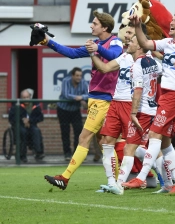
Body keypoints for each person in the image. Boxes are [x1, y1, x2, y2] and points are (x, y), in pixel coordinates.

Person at [122, 12, 175, 194]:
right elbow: (145, 44)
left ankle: (141, 178)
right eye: (172, 19)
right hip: (165, 95)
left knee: (154, 135)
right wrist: (137, 26)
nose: (171, 22)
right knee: (165, 142)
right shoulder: (168, 43)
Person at [43, 10, 123, 190]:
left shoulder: (115, 41)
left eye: (94, 23)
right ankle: (117, 183)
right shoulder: (94, 44)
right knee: (105, 144)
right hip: (95, 99)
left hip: (104, 100)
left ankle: (64, 177)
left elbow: (114, 56)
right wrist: (47, 41)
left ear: (105, 27)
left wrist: (97, 49)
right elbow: (70, 53)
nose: (91, 26)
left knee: (84, 137)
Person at [88, 23, 161, 195]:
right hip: (115, 103)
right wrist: (92, 53)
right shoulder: (125, 57)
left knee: (137, 146)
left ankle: (165, 176)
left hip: (131, 105)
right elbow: (104, 68)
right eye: (127, 34)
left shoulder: (146, 58)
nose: (127, 38)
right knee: (106, 142)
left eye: (132, 35)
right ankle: (112, 182)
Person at [57, 67, 89, 161]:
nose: (79, 77)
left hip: (75, 110)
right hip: (63, 109)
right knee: (65, 132)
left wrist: (81, 97)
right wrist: (79, 98)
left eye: (80, 75)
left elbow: (89, 94)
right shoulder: (65, 81)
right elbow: (66, 95)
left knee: (78, 131)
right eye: (77, 75)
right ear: (72, 76)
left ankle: (76, 153)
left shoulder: (83, 82)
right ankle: (67, 153)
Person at [8, 89, 45, 162]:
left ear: (30, 97)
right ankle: (22, 155)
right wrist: (22, 120)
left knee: (36, 131)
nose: (26, 99)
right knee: (23, 132)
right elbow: (11, 118)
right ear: (21, 97)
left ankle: (38, 152)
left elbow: (40, 117)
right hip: (19, 125)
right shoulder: (16, 105)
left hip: (31, 125)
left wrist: (30, 120)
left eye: (27, 97)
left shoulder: (35, 105)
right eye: (24, 97)